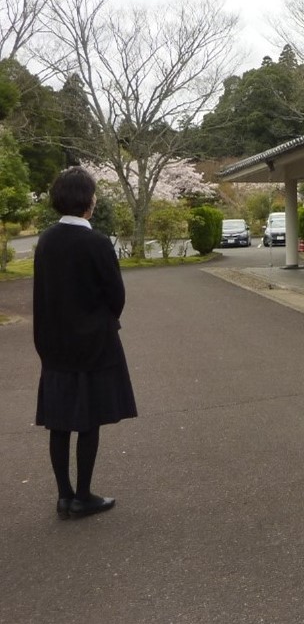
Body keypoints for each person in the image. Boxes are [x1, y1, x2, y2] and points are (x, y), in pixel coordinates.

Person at [33, 166, 137, 519]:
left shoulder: (46, 241)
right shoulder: (97, 242)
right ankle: (84, 495)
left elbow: (42, 294)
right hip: (94, 344)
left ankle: (64, 497)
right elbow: (116, 296)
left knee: (59, 422)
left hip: (55, 344)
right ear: (87, 201)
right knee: (89, 420)